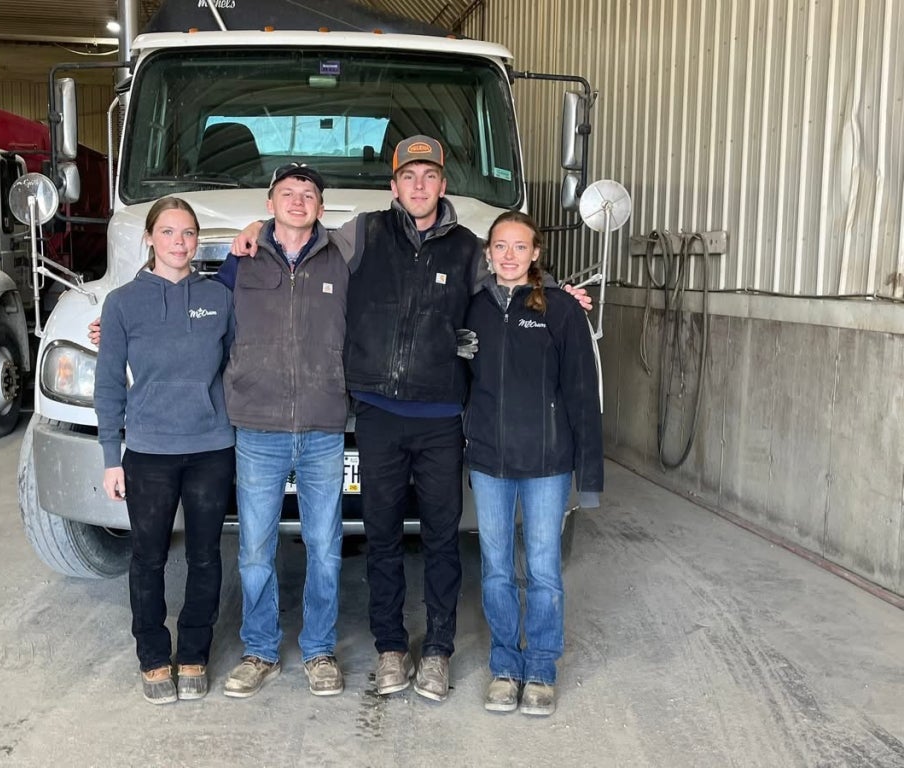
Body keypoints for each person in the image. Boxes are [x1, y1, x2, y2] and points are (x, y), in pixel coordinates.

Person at [234, 135, 589, 703]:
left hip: (442, 417)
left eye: (429, 176)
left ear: (442, 184)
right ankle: (391, 648)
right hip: (376, 414)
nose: (418, 186)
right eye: (408, 177)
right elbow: (297, 232)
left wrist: (561, 296)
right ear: (393, 185)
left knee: (443, 540)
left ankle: (440, 651)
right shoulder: (363, 233)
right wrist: (254, 228)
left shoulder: (471, 249)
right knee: (381, 537)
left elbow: (512, 283)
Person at [94, 196, 236, 705]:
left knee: (204, 557)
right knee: (147, 558)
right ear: (150, 238)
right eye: (170, 232)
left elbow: (240, 359)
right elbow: (109, 382)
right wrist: (113, 455)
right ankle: (153, 656)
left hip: (211, 448)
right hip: (149, 451)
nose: (180, 242)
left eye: (189, 234)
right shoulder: (123, 304)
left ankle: (194, 652)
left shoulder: (219, 297)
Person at [464, 211, 603, 717]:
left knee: (543, 569)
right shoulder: (473, 308)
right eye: (500, 246)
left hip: (547, 462)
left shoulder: (562, 309)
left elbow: (582, 393)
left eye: (519, 247)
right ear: (488, 252)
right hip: (490, 460)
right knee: (497, 569)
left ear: (536, 253)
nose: (508, 255)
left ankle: (541, 667)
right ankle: (505, 665)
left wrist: (588, 477)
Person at [220, 164, 351, 699]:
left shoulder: (344, 258)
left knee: (325, 546)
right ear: (270, 202)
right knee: (255, 548)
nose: (299, 201)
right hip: (259, 426)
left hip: (323, 424)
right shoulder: (239, 261)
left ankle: (320, 651)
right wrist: (112, 323)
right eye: (288, 193)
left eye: (309, 194)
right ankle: (261, 650)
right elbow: (192, 307)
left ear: (321, 207)